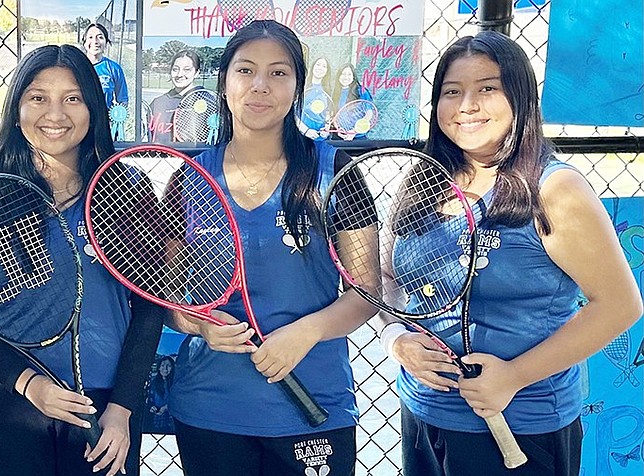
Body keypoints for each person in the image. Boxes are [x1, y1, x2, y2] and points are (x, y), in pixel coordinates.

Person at [380, 31, 642, 476]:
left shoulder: (555, 188)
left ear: (520, 96)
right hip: (423, 414)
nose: (466, 105)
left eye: (487, 88)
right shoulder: (424, 180)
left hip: (523, 427)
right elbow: (389, 280)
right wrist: (396, 340)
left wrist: (514, 376)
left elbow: (620, 306)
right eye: (451, 92)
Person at [165, 20, 378, 476]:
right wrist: (199, 325)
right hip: (209, 410)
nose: (260, 86)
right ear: (224, 84)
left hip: (314, 405)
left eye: (279, 73)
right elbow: (169, 299)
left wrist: (306, 332)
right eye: (246, 70)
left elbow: (367, 293)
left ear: (297, 86)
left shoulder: (335, 171)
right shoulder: (188, 178)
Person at [0, 44, 165, 476]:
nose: (56, 114)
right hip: (11, 402)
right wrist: (28, 383)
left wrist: (121, 410)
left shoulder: (127, 191)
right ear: (16, 109)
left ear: (94, 109)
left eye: (73, 98)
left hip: (104, 408)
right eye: (38, 97)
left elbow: (149, 305)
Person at [148, 49, 205, 144]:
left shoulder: (208, 101)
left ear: (197, 73)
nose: (179, 74)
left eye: (187, 70)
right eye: (175, 69)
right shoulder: (157, 103)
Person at [83, 23, 128, 110]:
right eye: (90, 37)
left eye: (100, 37)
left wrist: (117, 118)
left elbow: (123, 100)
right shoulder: (76, 67)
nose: (95, 41)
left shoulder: (114, 69)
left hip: (104, 121)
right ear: (84, 43)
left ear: (106, 43)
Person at [300, 56, 332, 137]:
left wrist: (326, 129)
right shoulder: (300, 85)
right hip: (300, 135)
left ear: (327, 71)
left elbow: (328, 114)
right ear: (313, 67)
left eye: (324, 66)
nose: (320, 68)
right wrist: (305, 130)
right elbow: (292, 111)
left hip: (318, 137)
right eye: (318, 64)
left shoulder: (328, 90)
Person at [143, 356, 175, 433]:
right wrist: (151, 407)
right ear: (159, 367)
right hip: (156, 417)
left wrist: (166, 407)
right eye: (163, 365)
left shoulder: (175, 383)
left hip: (170, 417)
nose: (165, 369)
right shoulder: (153, 382)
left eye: (169, 366)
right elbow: (149, 398)